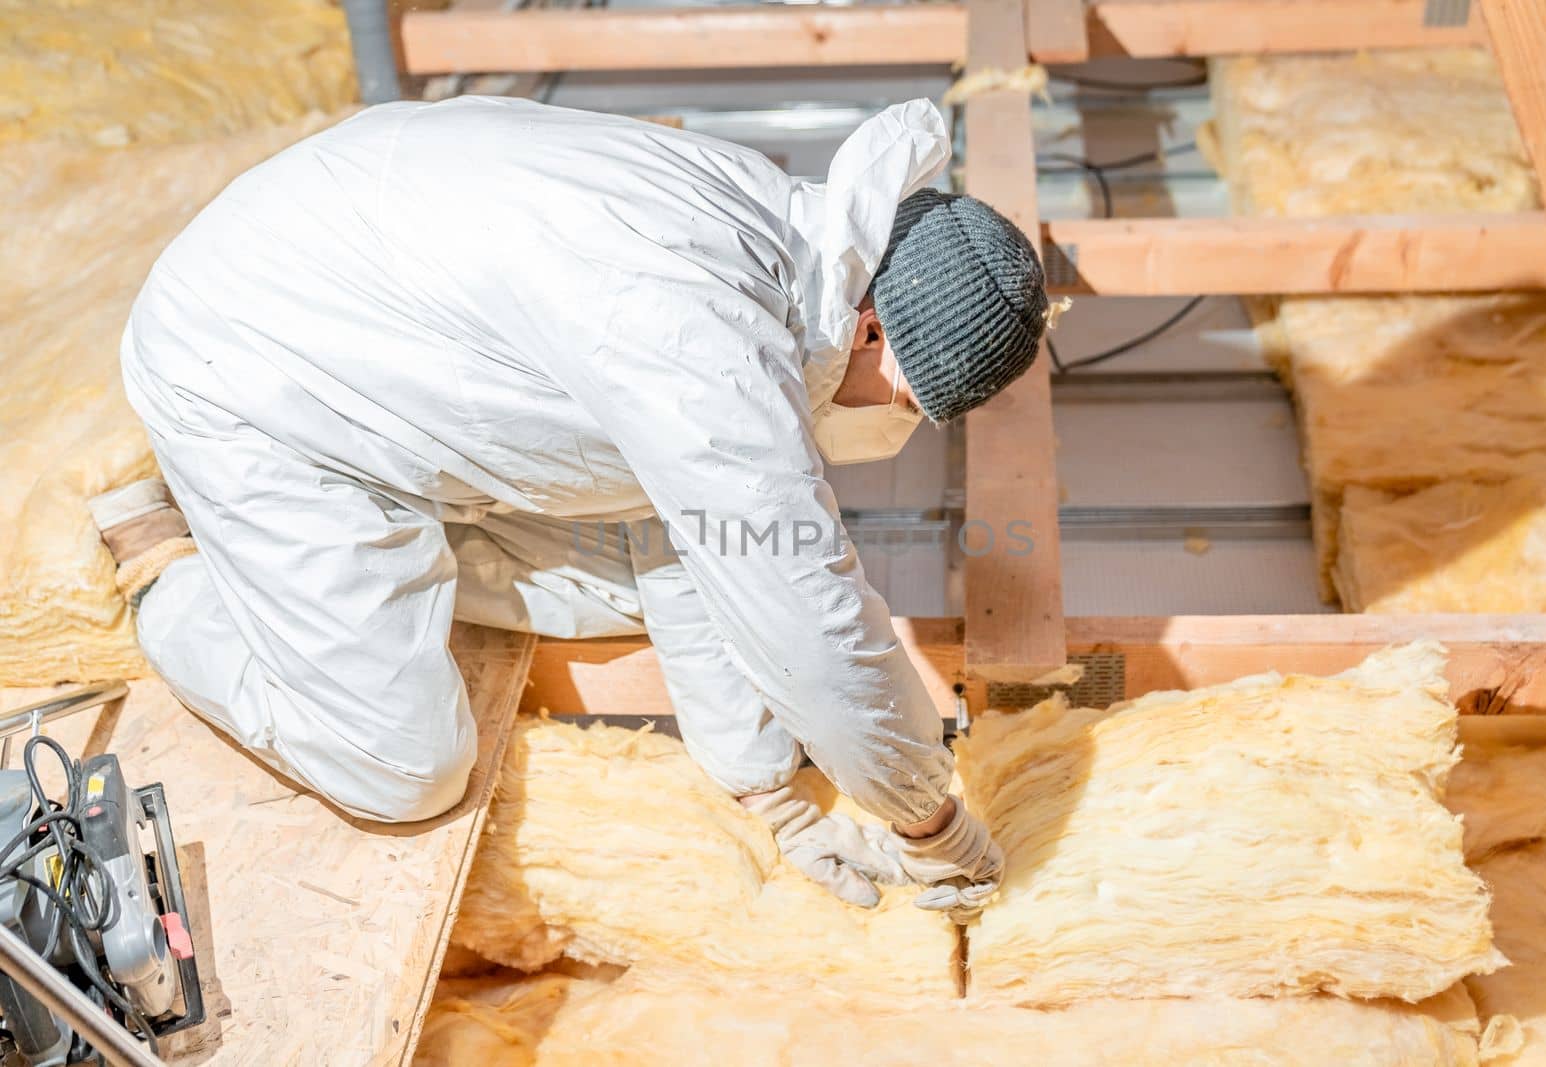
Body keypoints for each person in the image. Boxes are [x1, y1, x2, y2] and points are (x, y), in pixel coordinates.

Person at [91, 96, 1049, 915]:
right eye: (911, 401)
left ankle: (294, 567)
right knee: (403, 763)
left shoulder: (775, 238)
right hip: (246, 367)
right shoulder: (700, 334)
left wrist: (772, 794)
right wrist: (929, 818)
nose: (898, 424)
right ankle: (168, 559)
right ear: (875, 325)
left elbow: (697, 538)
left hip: (352, 298)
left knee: (648, 577)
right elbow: (808, 618)